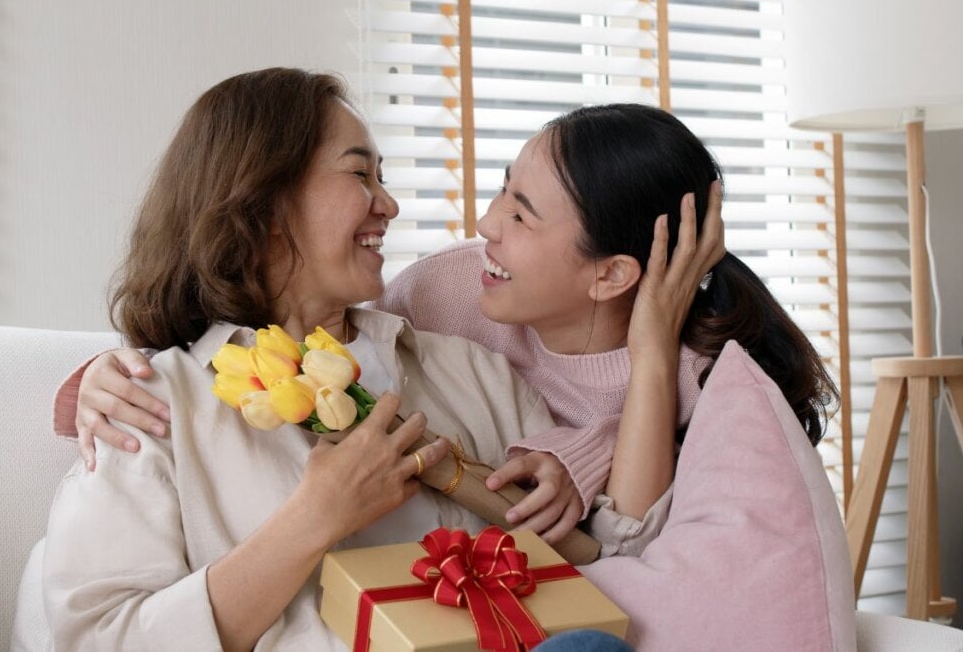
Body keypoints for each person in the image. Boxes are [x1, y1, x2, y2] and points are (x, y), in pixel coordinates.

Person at [61, 103, 835, 548]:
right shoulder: (450, 290)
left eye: (522, 214)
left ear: (611, 274)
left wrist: (653, 347)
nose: (485, 224)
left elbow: (625, 546)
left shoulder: (699, 377)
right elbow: (292, 343)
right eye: (503, 191)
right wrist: (92, 380)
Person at [28, 67, 613, 650]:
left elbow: (609, 557)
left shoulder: (472, 370)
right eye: (360, 173)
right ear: (265, 202)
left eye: (381, 177)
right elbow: (98, 639)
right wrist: (313, 520)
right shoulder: (146, 406)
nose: (389, 204)